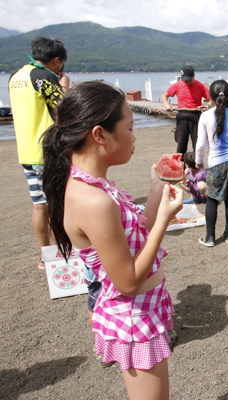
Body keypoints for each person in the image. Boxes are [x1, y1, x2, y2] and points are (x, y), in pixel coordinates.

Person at [42, 81, 183, 399]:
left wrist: (157, 189)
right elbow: (128, 282)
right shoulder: (94, 200)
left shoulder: (96, 183)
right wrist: (165, 218)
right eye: (130, 127)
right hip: (134, 317)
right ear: (99, 134)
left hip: (144, 309)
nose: (135, 136)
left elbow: (134, 236)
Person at [9, 36, 70, 270]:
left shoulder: (16, 76)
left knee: (39, 204)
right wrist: (64, 87)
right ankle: (62, 254)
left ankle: (45, 256)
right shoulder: (44, 77)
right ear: (56, 60)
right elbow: (64, 110)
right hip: (48, 151)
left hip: (26, 151)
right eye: (61, 63)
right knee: (56, 204)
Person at [195, 80, 228, 247]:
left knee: (212, 199)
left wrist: (198, 162)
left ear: (210, 97)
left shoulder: (204, 116)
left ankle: (210, 238)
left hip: (215, 164)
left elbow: (201, 144)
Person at [161, 66, 209, 154]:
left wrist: (208, 106)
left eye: (189, 80)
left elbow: (211, 99)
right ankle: (180, 165)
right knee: (181, 143)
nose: (187, 82)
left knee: (197, 143)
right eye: (185, 80)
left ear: (194, 76)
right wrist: (166, 104)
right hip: (182, 115)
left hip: (196, 115)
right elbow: (164, 95)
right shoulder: (178, 85)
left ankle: (197, 165)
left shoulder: (200, 86)